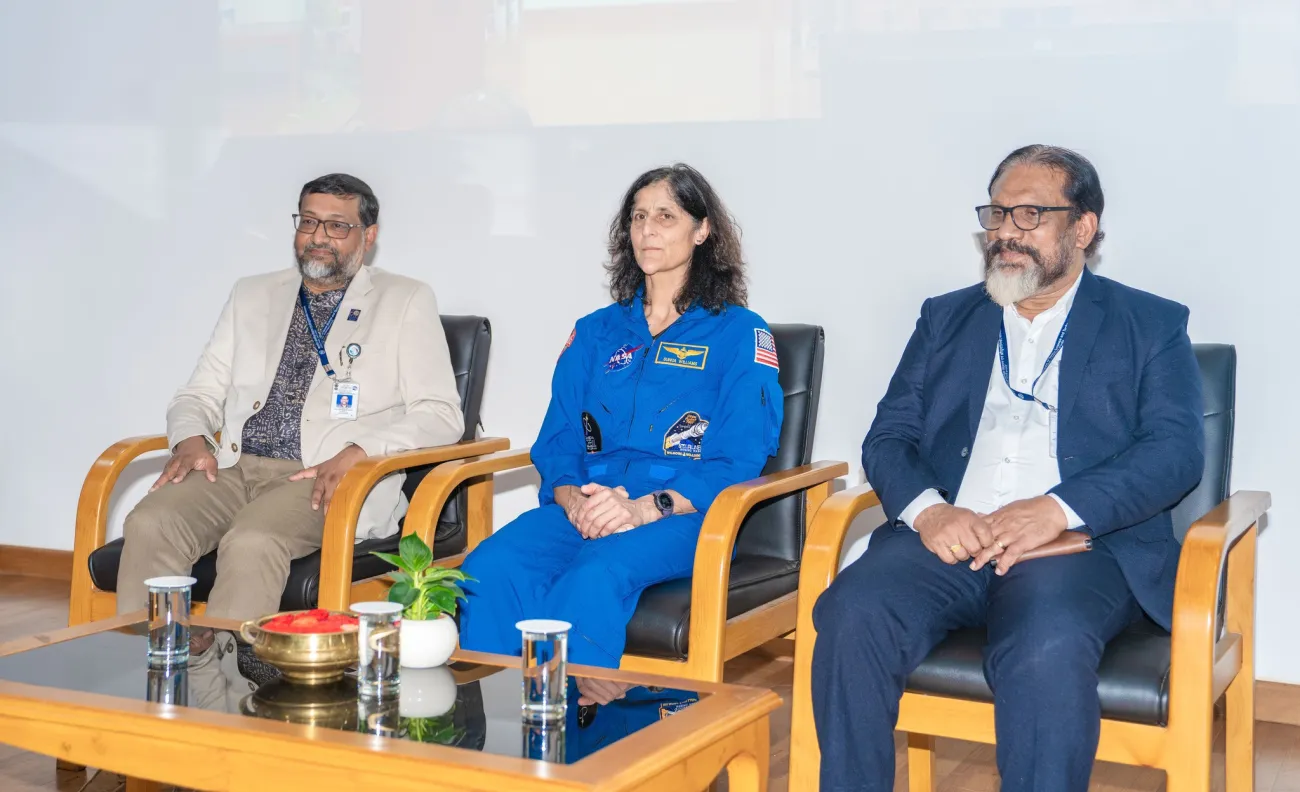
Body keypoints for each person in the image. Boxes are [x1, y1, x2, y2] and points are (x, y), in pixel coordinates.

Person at [811, 146, 1204, 791]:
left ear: (1083, 228)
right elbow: (889, 437)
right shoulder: (946, 319)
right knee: (852, 613)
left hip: (1075, 549)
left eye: (1029, 214)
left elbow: (1174, 450)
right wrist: (930, 511)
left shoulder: (1149, 324)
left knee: (1044, 646)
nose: (1005, 233)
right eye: (997, 214)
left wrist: (1056, 510)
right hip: (950, 538)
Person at [116, 173, 465, 662]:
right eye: (308, 221)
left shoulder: (405, 300)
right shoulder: (252, 294)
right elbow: (198, 392)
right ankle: (146, 669)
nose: (318, 236)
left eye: (337, 226)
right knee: (151, 520)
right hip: (234, 466)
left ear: (368, 235)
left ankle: (231, 680)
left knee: (254, 540)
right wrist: (191, 438)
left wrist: (361, 451)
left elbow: (442, 414)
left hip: (326, 477)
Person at [458, 164, 784, 686]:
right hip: (583, 506)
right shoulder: (594, 332)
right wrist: (575, 501)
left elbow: (740, 458)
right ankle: (494, 732)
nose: (647, 229)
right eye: (637, 217)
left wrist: (641, 507)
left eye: (665, 216)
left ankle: (574, 734)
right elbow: (559, 439)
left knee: (593, 576)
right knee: (487, 570)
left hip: (683, 515)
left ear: (702, 231)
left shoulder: (740, 333)